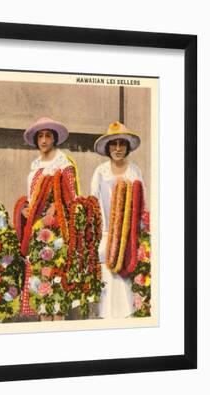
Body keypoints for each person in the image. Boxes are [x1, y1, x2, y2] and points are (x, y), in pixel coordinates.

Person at [19, 117, 78, 321]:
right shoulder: (35, 166)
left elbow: (73, 197)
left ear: (54, 139)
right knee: (41, 288)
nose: (44, 140)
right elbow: (31, 197)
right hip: (37, 232)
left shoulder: (63, 164)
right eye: (40, 136)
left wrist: (57, 207)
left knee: (56, 286)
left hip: (57, 234)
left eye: (48, 136)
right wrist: (26, 209)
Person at [91, 121, 143, 319]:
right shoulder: (100, 172)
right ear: (108, 147)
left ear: (127, 147)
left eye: (122, 144)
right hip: (105, 236)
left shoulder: (134, 172)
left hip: (127, 237)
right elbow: (94, 204)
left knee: (125, 291)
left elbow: (140, 205)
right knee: (107, 290)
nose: (118, 148)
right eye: (114, 144)